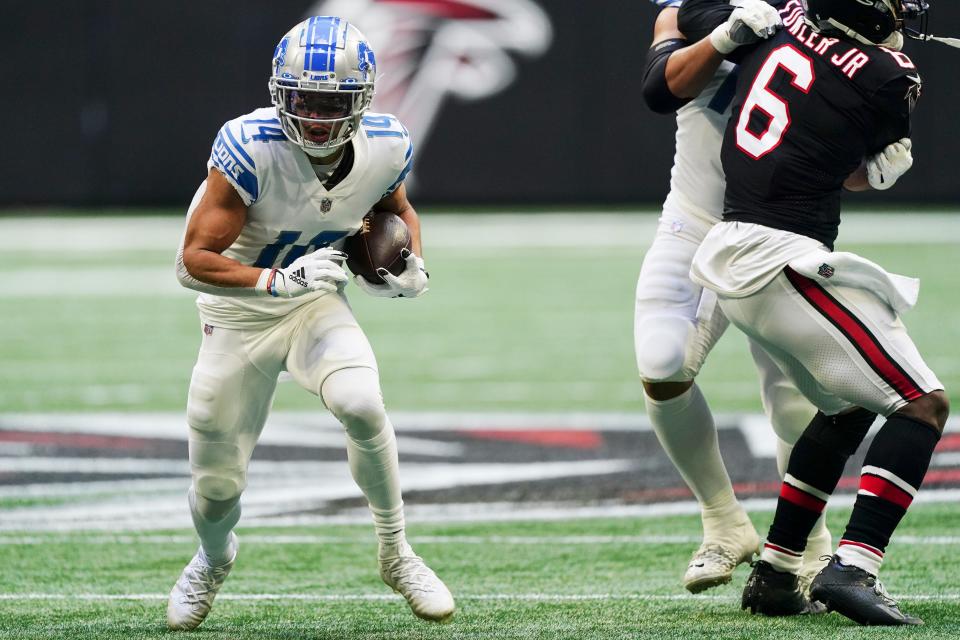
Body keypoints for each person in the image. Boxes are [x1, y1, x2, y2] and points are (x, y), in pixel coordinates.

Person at [166, 16, 455, 630]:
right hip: (238, 311)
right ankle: (213, 558)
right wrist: (275, 278)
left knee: (361, 401)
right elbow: (192, 262)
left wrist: (411, 263)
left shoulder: (386, 143)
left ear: (362, 101)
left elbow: (395, 210)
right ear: (280, 95)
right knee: (217, 486)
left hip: (313, 303)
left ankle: (396, 551)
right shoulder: (249, 146)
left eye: (333, 103)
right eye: (303, 101)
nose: (317, 117)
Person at [676, 0, 948, 626]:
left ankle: (776, 569)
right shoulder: (890, 77)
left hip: (736, 248)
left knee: (847, 409)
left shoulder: (777, 17)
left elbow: (690, 15)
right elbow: (860, 160)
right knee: (922, 405)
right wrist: (877, 174)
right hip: (780, 258)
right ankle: (855, 565)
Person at [638, 0, 833, 595]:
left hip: (783, 226)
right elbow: (659, 89)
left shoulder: (834, 18)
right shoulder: (690, 10)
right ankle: (723, 522)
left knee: (796, 392)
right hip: (695, 219)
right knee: (661, 363)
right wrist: (724, 36)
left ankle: (810, 547)